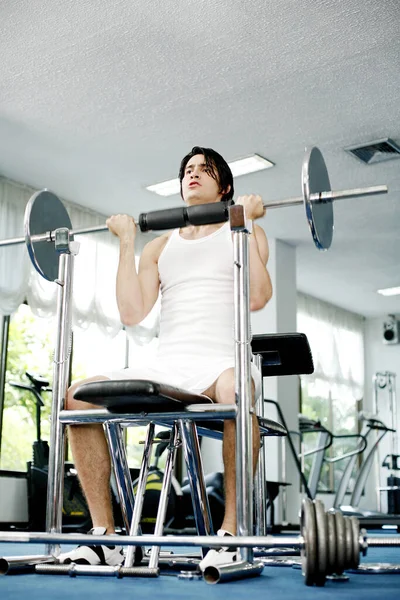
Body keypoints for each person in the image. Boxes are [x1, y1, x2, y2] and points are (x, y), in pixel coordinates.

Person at [57, 146, 272, 569]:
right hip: (167, 363)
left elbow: (259, 297)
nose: (192, 174)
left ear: (224, 186)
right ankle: (106, 537)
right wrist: (125, 243)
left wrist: (245, 225)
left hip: (218, 364)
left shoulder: (240, 230)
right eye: (187, 170)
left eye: (204, 170)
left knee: (238, 388)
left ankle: (230, 533)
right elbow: (132, 312)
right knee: (77, 395)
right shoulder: (160, 245)